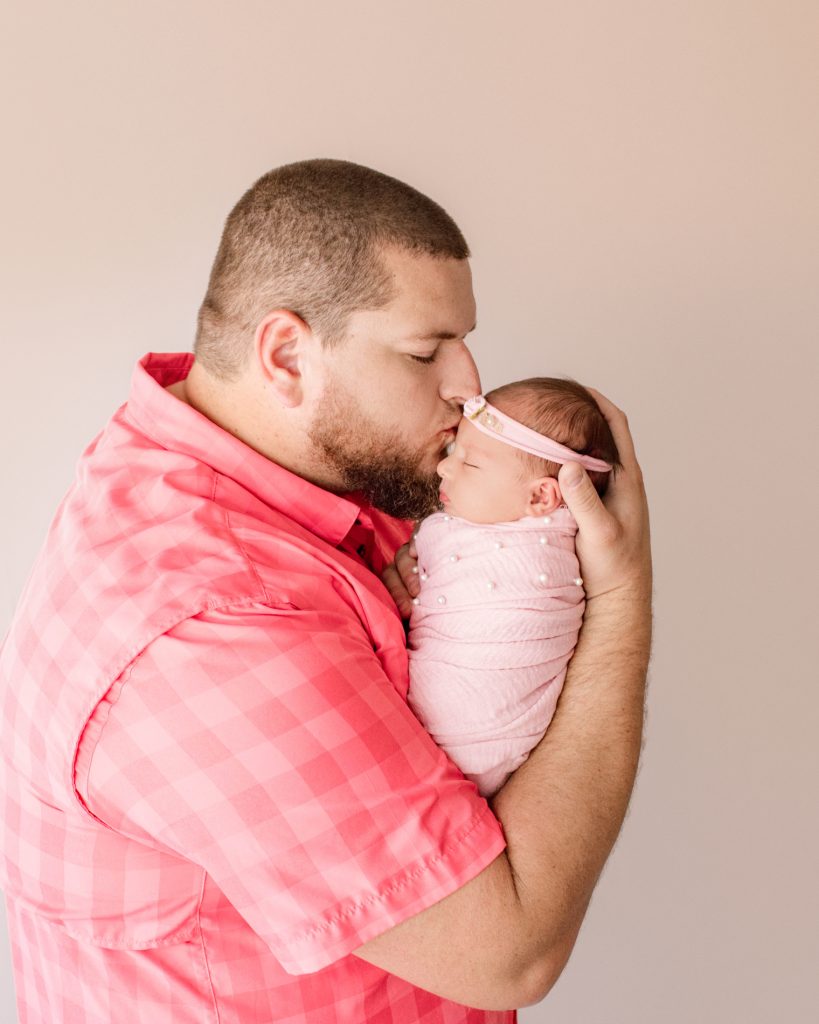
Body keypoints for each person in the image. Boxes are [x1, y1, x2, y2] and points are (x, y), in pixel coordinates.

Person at [0, 159, 652, 1023]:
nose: (468, 384)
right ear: (285, 355)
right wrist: (621, 599)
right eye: (427, 351)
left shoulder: (273, 470)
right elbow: (511, 953)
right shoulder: (211, 629)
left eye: (463, 342)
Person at [407, 378, 619, 797]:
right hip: (490, 767)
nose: (444, 467)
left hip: (458, 728)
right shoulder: (486, 525)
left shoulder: (551, 555)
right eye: (454, 453)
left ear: (541, 498)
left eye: (469, 464)